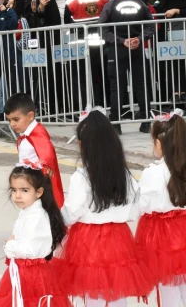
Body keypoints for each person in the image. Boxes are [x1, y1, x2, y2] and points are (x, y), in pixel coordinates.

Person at [54, 110, 152, 306]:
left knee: (93, 295)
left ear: (83, 145)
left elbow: (72, 213)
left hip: (88, 242)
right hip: (118, 238)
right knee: (117, 292)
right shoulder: (124, 174)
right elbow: (135, 209)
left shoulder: (81, 177)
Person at [0, 164, 69, 307]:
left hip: (31, 275)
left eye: (24, 190)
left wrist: (10, 245)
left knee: (29, 302)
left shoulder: (36, 217)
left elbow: (30, 250)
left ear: (39, 192)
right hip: (24, 271)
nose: (17, 195)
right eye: (14, 190)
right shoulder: (28, 211)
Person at [136, 109, 186, 306]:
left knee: (169, 290)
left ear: (158, 143)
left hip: (163, 239)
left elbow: (141, 206)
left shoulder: (153, 173)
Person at [98, 0, 155, 134]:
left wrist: (121, 40)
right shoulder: (140, 3)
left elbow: (103, 29)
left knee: (118, 87)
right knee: (141, 85)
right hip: (137, 49)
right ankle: (145, 123)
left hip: (118, 49)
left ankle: (116, 125)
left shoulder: (110, 5)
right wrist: (139, 38)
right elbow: (151, 26)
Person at [3, 93, 65, 207]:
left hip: (36, 183)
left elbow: (47, 151)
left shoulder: (37, 133)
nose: (12, 124)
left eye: (16, 119)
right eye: (9, 120)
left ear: (30, 116)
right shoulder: (27, 135)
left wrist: (47, 164)